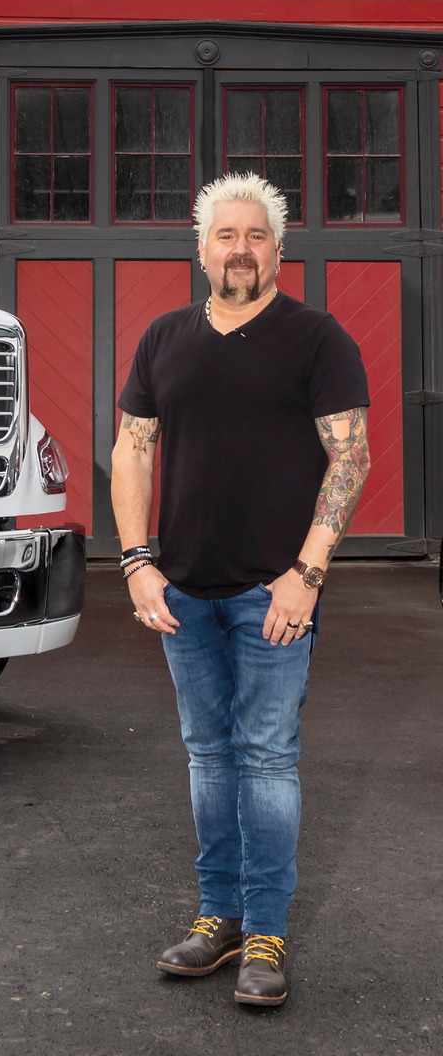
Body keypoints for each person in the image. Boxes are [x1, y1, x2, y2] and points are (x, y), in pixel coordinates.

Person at [111, 172, 372, 1008]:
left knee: (265, 758)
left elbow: (352, 458)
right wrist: (135, 559)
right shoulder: (163, 338)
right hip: (181, 592)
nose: (240, 250)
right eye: (226, 235)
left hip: (274, 595)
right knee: (208, 755)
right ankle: (217, 919)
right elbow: (132, 450)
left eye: (255, 236)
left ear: (278, 249)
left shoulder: (316, 338)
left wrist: (306, 575)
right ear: (201, 249)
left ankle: (265, 932)